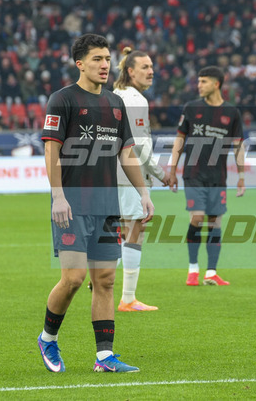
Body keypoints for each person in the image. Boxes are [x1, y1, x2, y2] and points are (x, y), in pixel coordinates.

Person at [38, 33, 153, 374]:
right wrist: (58, 196)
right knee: (73, 278)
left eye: (107, 59)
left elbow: (127, 153)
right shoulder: (62, 99)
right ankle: (47, 338)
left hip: (106, 206)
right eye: (97, 59)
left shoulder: (115, 103)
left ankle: (104, 357)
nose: (105, 65)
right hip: (72, 205)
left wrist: (144, 193)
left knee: (104, 280)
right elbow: (51, 150)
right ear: (80, 64)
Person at [168, 66, 245, 286]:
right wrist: (172, 170)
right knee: (197, 218)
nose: (198, 85)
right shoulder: (191, 108)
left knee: (215, 222)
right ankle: (193, 269)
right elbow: (179, 140)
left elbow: (238, 146)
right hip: (193, 174)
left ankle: (211, 272)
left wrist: (241, 175)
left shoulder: (232, 113)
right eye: (198, 81)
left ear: (216, 84)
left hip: (217, 177)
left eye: (203, 81)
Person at [112, 47, 170, 312]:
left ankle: (102, 277)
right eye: (145, 67)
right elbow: (138, 145)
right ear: (130, 71)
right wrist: (161, 173)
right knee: (135, 230)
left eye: (152, 67)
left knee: (121, 231)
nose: (151, 71)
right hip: (129, 174)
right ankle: (128, 298)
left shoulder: (116, 94)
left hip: (112, 172)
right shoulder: (135, 99)